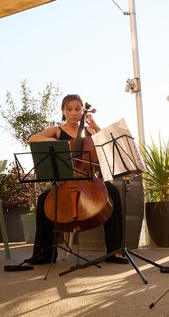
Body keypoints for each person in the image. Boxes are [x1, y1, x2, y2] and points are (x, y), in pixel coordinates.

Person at [25, 94, 129, 265]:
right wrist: (60, 144)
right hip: (64, 181)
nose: (73, 113)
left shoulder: (90, 131)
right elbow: (32, 138)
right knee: (44, 199)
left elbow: (107, 143)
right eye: (69, 109)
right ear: (63, 111)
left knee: (113, 192)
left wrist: (94, 126)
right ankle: (44, 254)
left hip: (89, 180)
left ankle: (115, 251)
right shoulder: (57, 130)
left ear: (83, 110)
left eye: (78, 109)